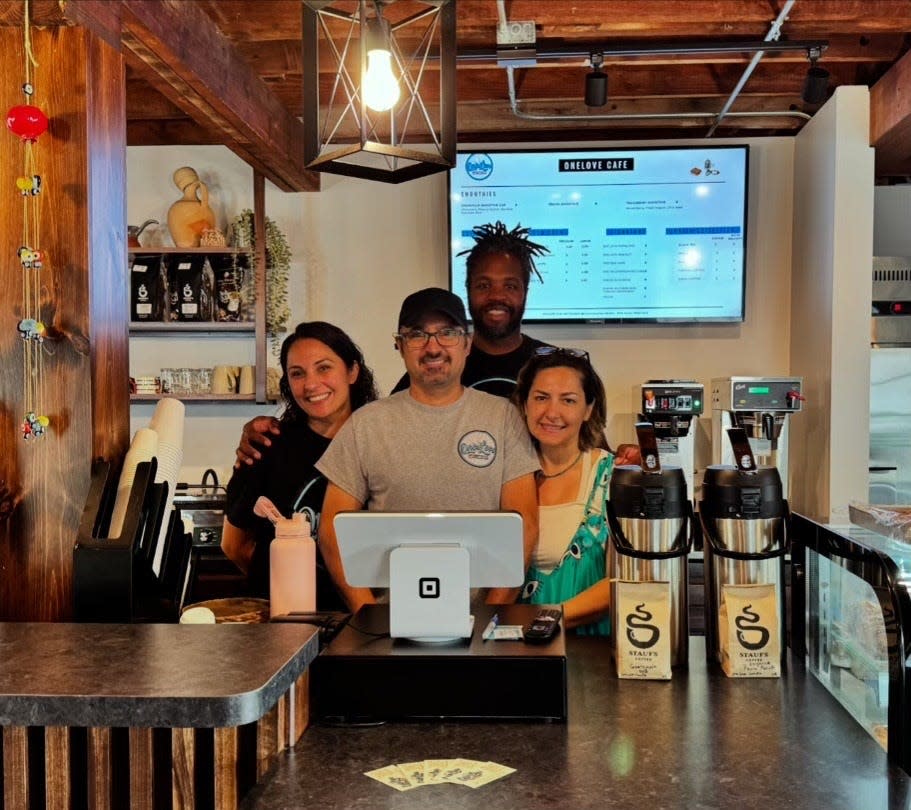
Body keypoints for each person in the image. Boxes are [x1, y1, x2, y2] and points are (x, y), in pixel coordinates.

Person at [315, 287, 541, 612]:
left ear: (467, 343)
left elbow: (524, 526)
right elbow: (332, 532)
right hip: (388, 629)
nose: (433, 347)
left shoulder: (504, 417)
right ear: (399, 345)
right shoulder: (366, 424)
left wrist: (492, 617)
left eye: (447, 333)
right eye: (417, 335)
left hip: (480, 625)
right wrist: (372, 617)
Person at [221, 321, 379, 607]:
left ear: (352, 371)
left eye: (324, 368)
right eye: (297, 373)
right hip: (280, 623)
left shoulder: (381, 444)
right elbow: (234, 546)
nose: (311, 384)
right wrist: (278, 586)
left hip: (360, 618)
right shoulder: (266, 444)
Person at [511, 346, 617, 636]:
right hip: (512, 648)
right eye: (541, 398)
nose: (552, 412)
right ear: (524, 404)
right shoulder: (505, 476)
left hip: (589, 654)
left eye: (568, 400)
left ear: (589, 409)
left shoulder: (611, 476)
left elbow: (622, 580)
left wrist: (548, 621)